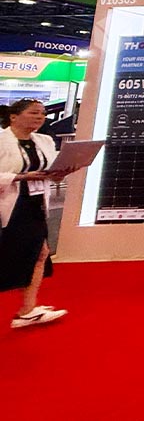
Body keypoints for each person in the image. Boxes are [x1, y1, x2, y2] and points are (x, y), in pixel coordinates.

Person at [0, 99, 72, 329]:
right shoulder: (2, 141)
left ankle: (27, 309)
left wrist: (61, 173)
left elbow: (50, 172)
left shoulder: (44, 141)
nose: (40, 117)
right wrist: (21, 177)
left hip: (34, 203)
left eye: (42, 113)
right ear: (13, 117)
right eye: (33, 113)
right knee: (16, 255)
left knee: (40, 253)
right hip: (8, 203)